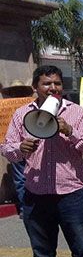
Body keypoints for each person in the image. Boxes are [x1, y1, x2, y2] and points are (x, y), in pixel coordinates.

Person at [0, 65, 83, 257]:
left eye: (56, 83)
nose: (52, 87)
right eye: (46, 83)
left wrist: (70, 131)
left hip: (71, 195)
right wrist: (19, 148)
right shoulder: (22, 114)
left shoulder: (75, 112)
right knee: (43, 254)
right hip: (36, 195)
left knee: (81, 252)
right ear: (36, 87)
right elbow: (7, 149)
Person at [1, 80, 35, 218]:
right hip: (15, 147)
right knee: (21, 179)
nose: (17, 93)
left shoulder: (33, 105)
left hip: (33, 146)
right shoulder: (4, 108)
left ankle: (31, 207)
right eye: (16, 91)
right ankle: (25, 209)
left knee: (32, 177)